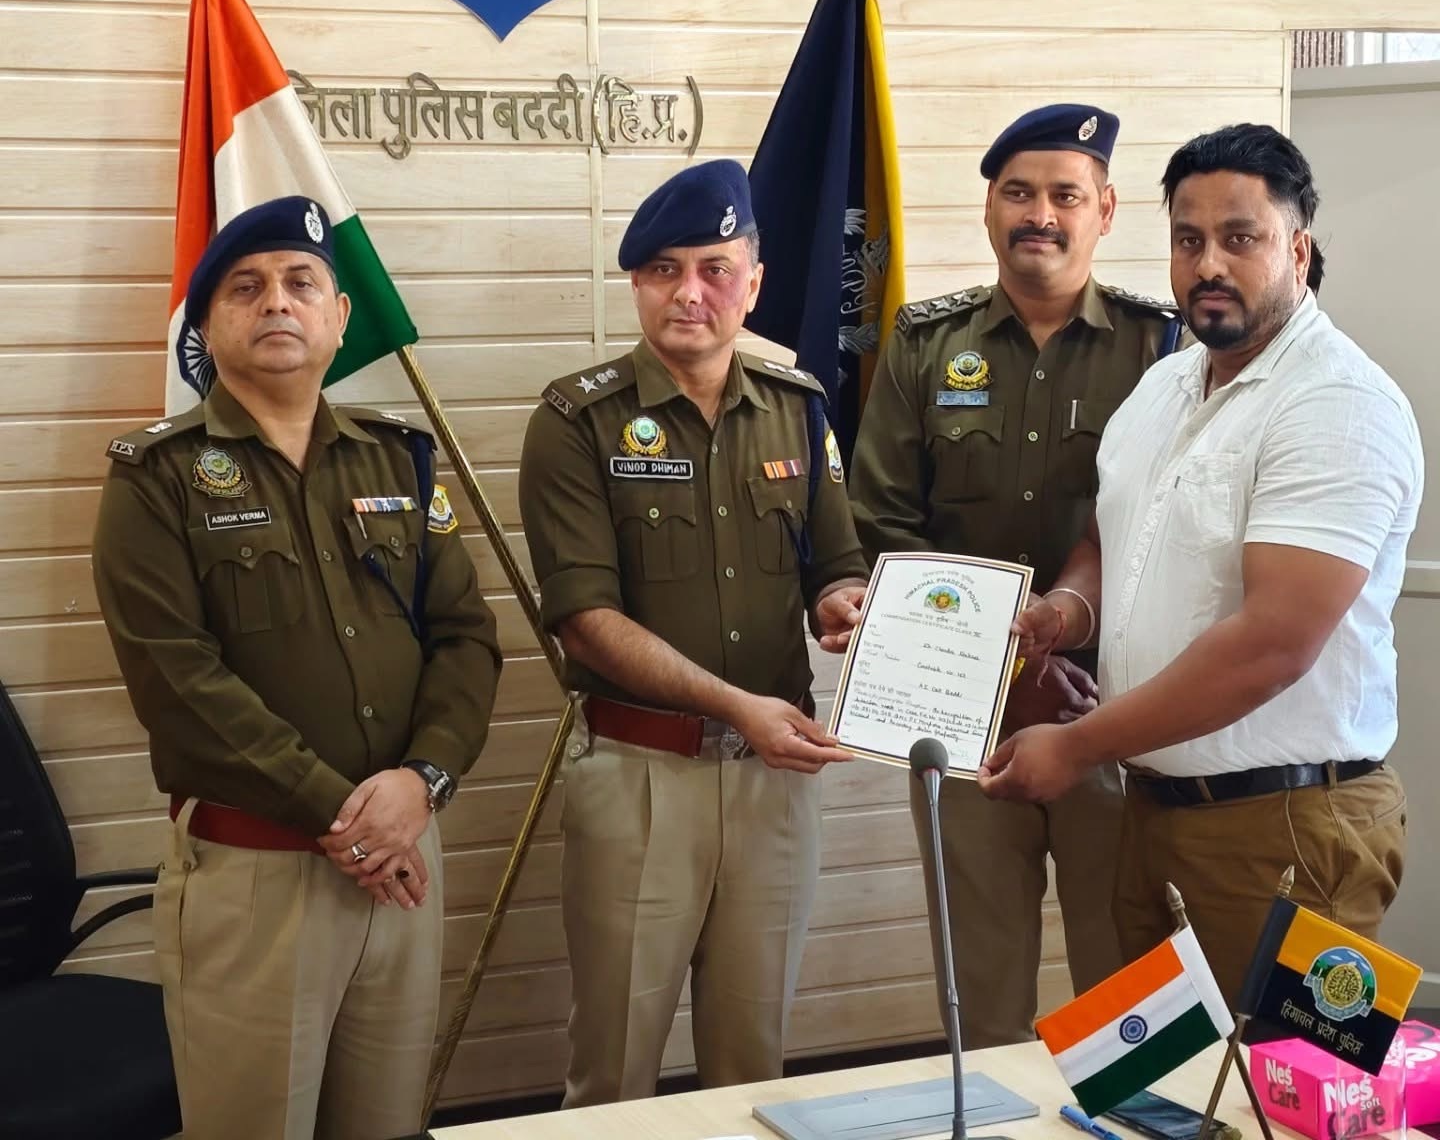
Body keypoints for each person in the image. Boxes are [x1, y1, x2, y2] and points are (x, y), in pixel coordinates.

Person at [980, 123, 1422, 1005]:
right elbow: (1110, 538)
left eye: (1240, 238)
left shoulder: (1338, 403)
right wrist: (1066, 610)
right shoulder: (1168, 384)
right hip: (1156, 816)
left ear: (1297, 250)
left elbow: (1274, 644)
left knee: (1291, 1081)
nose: (1209, 264)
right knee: (1148, 1081)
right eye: (1189, 240)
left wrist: (1076, 748)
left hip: (1294, 831)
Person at [92, 196, 503, 1140]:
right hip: (258, 877)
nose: (277, 301)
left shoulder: (397, 462)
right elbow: (179, 685)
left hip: (404, 860)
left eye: (300, 282)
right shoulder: (157, 478)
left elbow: (467, 639)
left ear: (340, 316)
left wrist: (423, 782)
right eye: (246, 287)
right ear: (205, 327)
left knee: (386, 1124)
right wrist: (348, 820)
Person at [518, 158, 870, 1106]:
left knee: (755, 1066)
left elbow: (836, 565)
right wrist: (736, 706)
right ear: (636, 282)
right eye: (664, 270)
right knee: (614, 1068)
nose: (690, 293)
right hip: (641, 781)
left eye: (716, 270)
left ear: (753, 284)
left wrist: (842, 603)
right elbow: (587, 624)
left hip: (772, 783)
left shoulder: (797, 407)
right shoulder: (576, 421)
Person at [848, 103, 1182, 1048]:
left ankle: (1131, 1113)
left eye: (1065, 196)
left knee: (1127, 982)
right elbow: (883, 525)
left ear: (1104, 211)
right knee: (980, 982)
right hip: (966, 723)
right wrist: (1008, 668)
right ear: (990, 208)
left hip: (1114, 716)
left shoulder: (1163, 350)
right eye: (1019, 193)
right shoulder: (925, 344)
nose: (1041, 215)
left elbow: (1172, 531)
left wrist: (1060, 655)